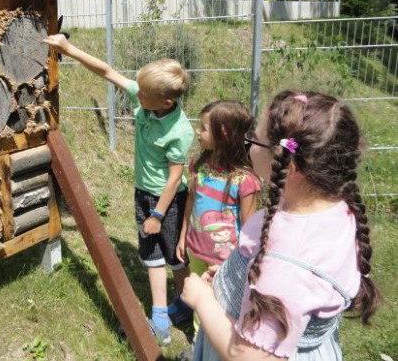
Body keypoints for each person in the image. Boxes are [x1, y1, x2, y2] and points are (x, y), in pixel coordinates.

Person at [180, 90, 380, 361]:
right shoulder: (332, 209)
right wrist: (234, 276)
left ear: (289, 163)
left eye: (255, 140)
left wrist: (202, 300)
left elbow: (251, 356)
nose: (249, 147)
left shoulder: (287, 260)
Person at [42, 34, 194, 346]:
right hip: (145, 193)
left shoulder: (179, 131)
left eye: (143, 98)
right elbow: (108, 72)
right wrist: (68, 49)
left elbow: (175, 180)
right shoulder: (150, 95)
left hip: (169, 201)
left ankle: (186, 304)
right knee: (152, 256)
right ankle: (161, 318)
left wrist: (157, 214)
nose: (136, 98)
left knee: (177, 257)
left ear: (166, 102)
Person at [169, 101, 261, 338]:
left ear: (224, 134)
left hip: (226, 262)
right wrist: (183, 236)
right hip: (197, 251)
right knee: (202, 301)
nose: (197, 132)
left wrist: (239, 262)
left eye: (203, 128)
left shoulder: (244, 180)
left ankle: (214, 344)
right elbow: (190, 202)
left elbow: (251, 230)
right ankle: (200, 344)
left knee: (221, 305)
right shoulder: (200, 166)